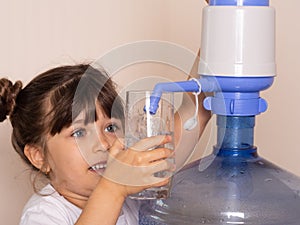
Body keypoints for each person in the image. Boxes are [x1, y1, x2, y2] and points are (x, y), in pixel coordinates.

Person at [0, 62, 210, 225]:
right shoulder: (44, 214)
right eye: (79, 132)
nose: (103, 144)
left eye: (110, 128)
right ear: (39, 156)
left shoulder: (135, 189)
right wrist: (113, 188)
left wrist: (219, 15)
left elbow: (195, 111)